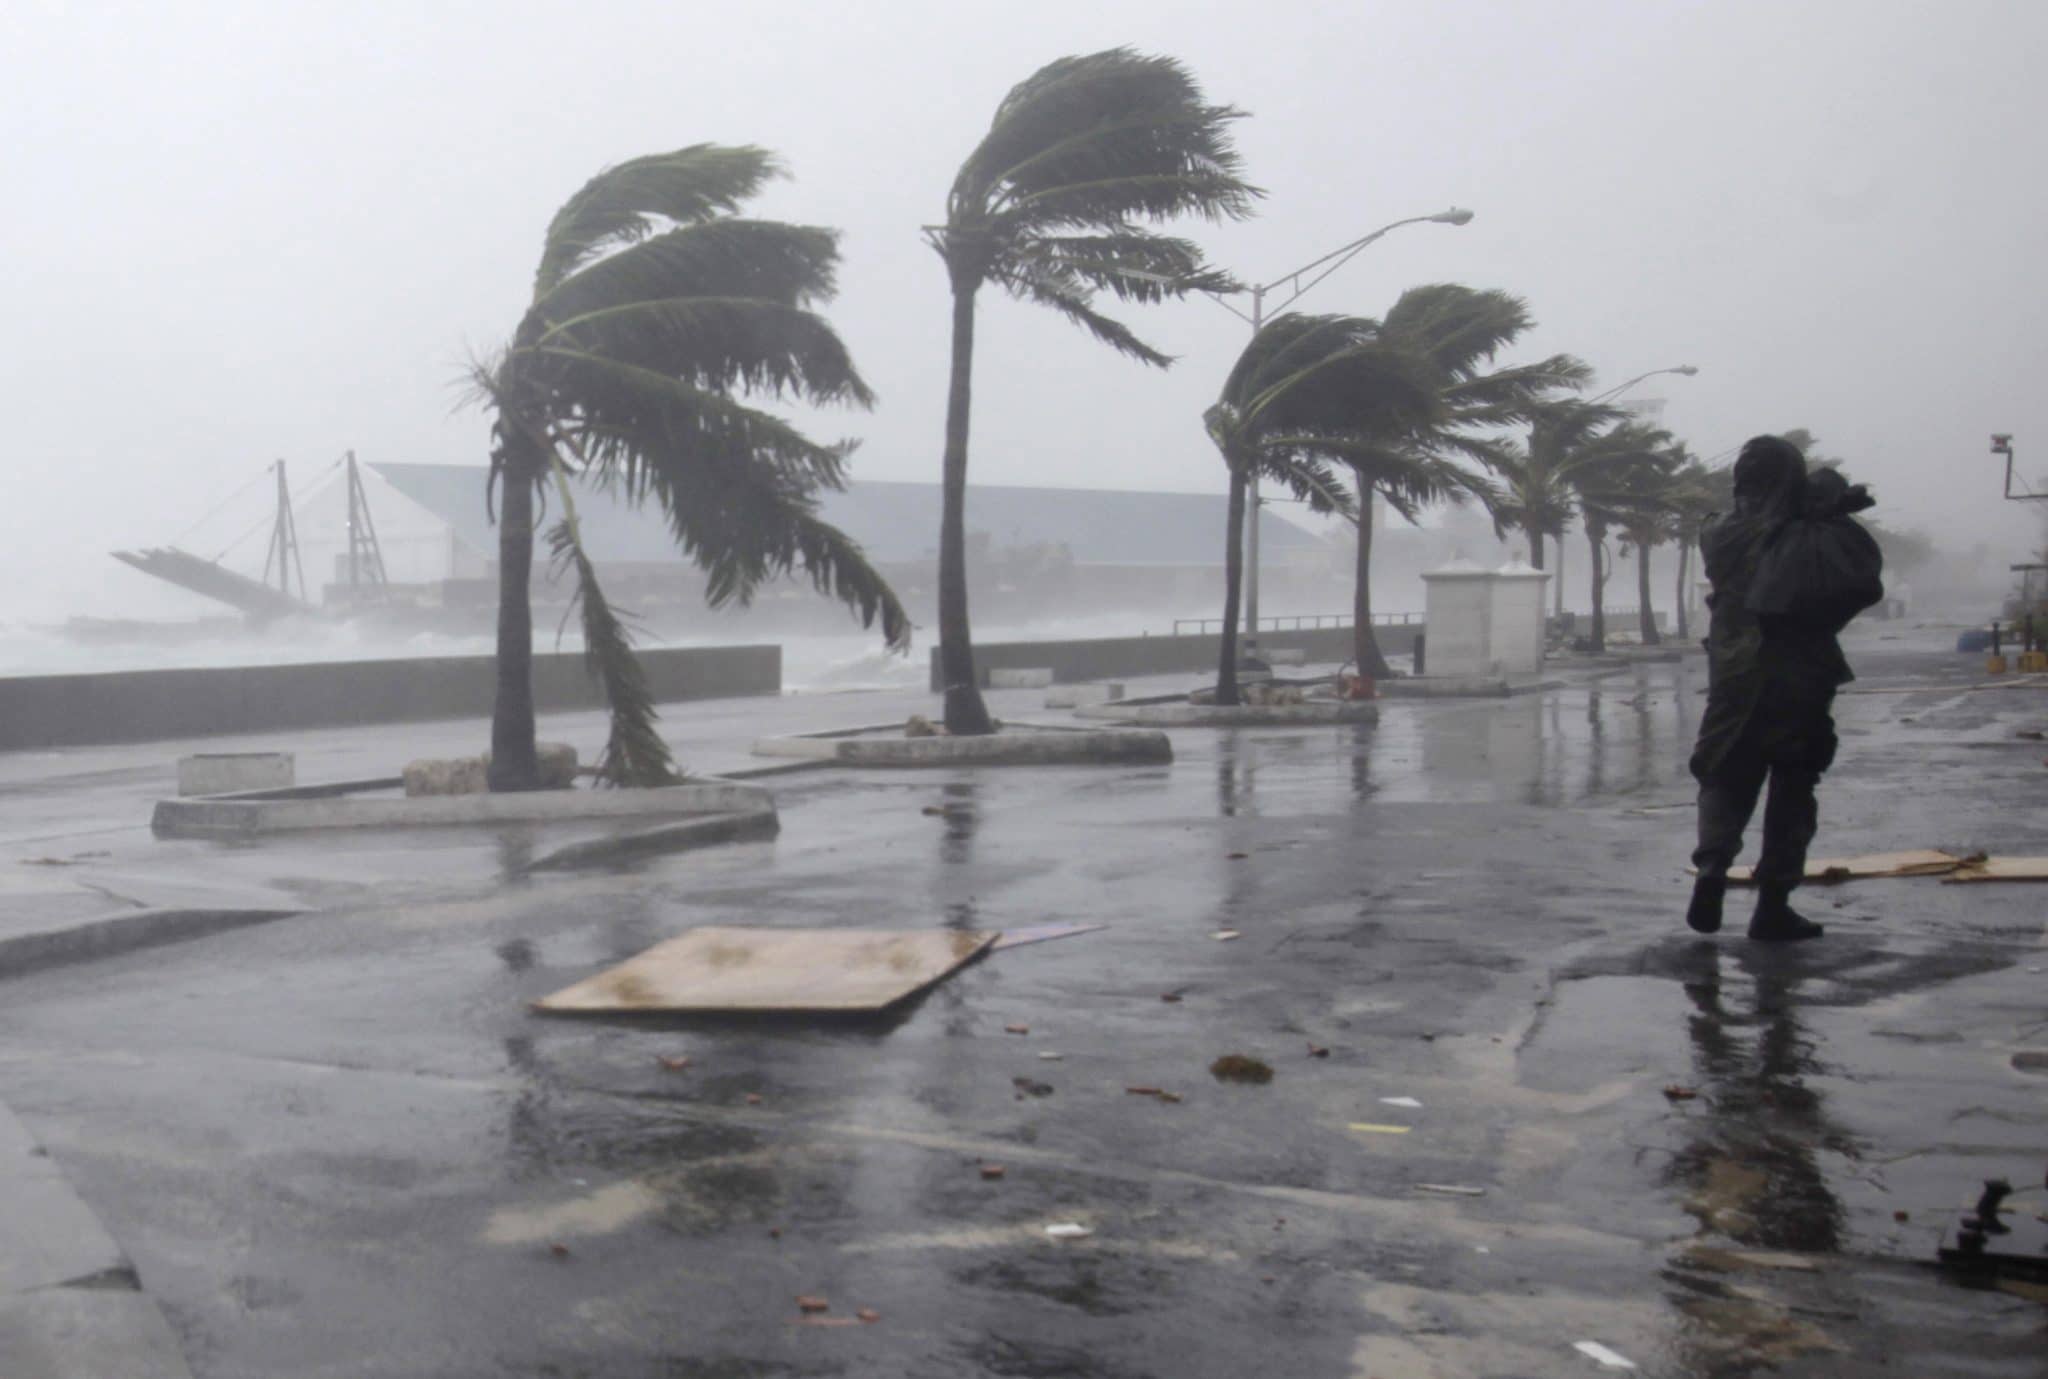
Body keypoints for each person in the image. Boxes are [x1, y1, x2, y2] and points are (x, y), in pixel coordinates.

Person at [1685, 436, 1883, 942]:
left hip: (1732, 675)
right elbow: (1848, 574)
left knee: (1724, 776)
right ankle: (1773, 904)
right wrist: (1826, 503)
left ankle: (1712, 867)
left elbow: (1763, 526)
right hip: (1798, 674)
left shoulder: (1719, 533)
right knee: (1793, 787)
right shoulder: (1806, 530)